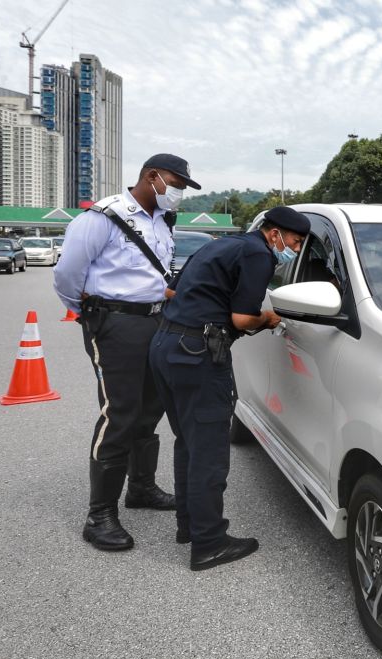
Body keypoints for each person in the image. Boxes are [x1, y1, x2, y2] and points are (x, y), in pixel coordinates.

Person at [149, 206, 310, 571]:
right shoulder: (258, 254)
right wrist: (269, 319)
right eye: (295, 242)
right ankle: (209, 543)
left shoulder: (220, 245)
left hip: (165, 345)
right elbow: (242, 318)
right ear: (275, 234)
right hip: (198, 356)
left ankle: (189, 527)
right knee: (208, 450)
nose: (295, 250)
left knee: (188, 442)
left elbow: (171, 292)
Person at [54, 154, 201, 551]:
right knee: (119, 412)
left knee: (150, 408)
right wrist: (89, 311)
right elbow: (67, 273)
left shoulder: (162, 222)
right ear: (152, 177)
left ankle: (141, 488)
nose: (179, 194)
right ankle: (99, 514)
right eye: (176, 184)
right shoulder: (104, 216)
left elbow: (155, 275)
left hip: (156, 321)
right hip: (115, 323)